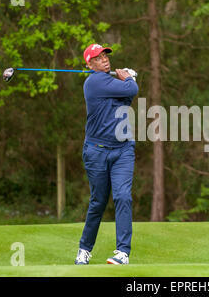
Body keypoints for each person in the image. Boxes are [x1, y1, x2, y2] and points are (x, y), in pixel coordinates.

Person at [75, 44, 138, 265]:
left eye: (105, 56)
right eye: (98, 58)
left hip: (122, 150)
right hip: (96, 152)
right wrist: (128, 77)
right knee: (98, 202)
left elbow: (126, 101)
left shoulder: (110, 83)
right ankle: (84, 249)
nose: (104, 60)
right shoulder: (94, 82)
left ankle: (123, 252)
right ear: (89, 64)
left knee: (123, 197)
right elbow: (131, 91)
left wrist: (126, 82)